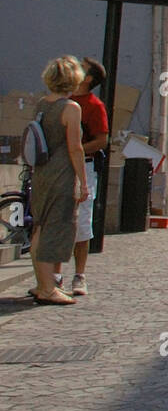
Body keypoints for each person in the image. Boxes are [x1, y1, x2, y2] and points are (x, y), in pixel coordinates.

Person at [28, 56, 89, 305]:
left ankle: (43, 283)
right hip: (61, 174)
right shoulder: (70, 108)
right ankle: (47, 289)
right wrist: (83, 182)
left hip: (41, 172)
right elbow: (75, 148)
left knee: (40, 229)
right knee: (55, 229)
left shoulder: (42, 104)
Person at [52, 55, 109, 297]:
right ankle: (55, 275)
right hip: (58, 165)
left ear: (88, 79)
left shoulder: (94, 105)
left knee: (81, 223)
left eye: (81, 69)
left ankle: (80, 274)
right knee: (57, 220)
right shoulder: (61, 100)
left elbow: (101, 139)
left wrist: (76, 149)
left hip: (83, 166)